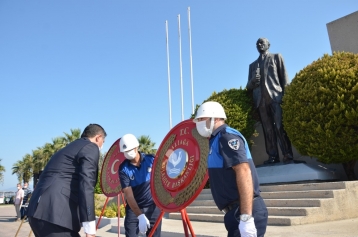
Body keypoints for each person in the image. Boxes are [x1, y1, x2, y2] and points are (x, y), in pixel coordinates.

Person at [194, 101, 268, 237]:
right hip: (235, 213)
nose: (198, 123)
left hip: (244, 211)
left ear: (215, 118)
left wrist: (246, 218)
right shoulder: (215, 140)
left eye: (201, 119)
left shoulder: (226, 137)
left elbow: (243, 171)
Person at [27, 124, 106, 237]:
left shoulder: (69, 148)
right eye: (103, 141)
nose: (102, 145)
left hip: (37, 212)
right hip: (55, 214)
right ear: (98, 137)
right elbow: (86, 185)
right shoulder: (90, 147)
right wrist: (90, 228)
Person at [246, 37, 294, 164]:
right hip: (260, 101)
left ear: (268, 45)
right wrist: (252, 82)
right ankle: (273, 157)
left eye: (262, 42)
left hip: (275, 97)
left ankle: (288, 155)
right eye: (257, 43)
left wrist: (286, 96)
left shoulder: (276, 57)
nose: (259, 44)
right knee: (268, 130)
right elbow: (248, 87)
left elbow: (284, 78)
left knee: (279, 127)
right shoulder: (252, 66)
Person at [118, 134, 162, 237]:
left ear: (136, 147)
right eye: (125, 151)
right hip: (134, 210)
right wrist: (140, 216)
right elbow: (129, 195)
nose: (128, 153)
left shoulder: (151, 159)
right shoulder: (123, 169)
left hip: (153, 207)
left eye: (130, 150)